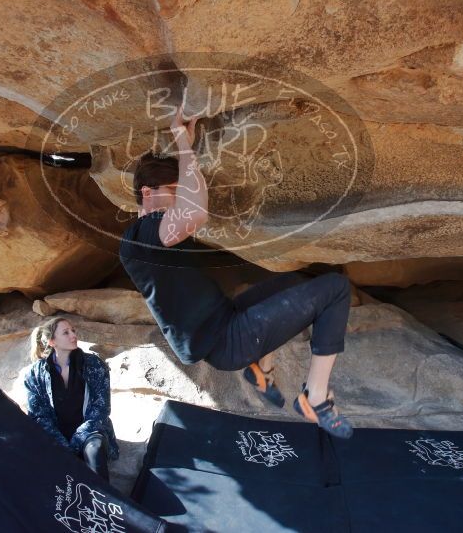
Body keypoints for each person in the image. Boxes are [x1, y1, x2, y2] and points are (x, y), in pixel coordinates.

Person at [119, 103, 354, 439]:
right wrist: (183, 144)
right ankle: (315, 398)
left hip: (227, 317)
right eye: (173, 192)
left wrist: (183, 144)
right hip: (227, 341)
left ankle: (261, 369)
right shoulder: (140, 237)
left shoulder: (154, 235)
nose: (179, 198)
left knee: (306, 277)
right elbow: (197, 212)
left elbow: (192, 208)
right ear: (147, 194)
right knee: (336, 288)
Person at [24, 316, 119, 480]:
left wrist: (77, 440)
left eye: (73, 331)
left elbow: (101, 409)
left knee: (94, 451)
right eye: (66, 333)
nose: (73, 335)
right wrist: (61, 445)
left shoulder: (93, 364)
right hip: (55, 433)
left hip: (89, 430)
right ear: (52, 342)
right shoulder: (34, 373)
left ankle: (104, 502)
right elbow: (38, 415)